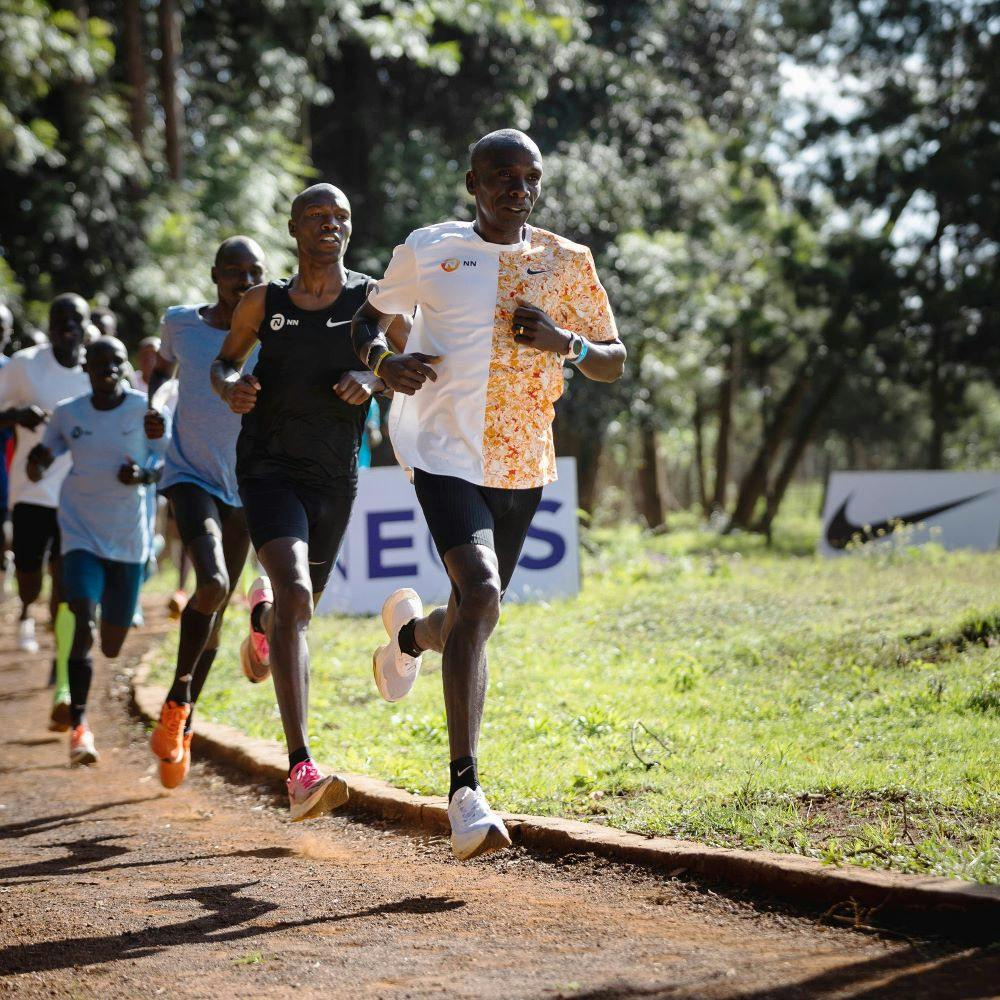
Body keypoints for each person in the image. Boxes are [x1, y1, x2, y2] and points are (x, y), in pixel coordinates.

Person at [352, 129, 626, 860]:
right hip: (440, 449)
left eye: (530, 177)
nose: (518, 188)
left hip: (522, 459)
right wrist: (383, 363)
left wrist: (564, 343)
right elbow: (366, 321)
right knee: (479, 591)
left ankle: (410, 638)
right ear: (473, 182)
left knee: (478, 609)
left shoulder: (567, 261)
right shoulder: (429, 248)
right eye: (503, 176)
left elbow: (613, 360)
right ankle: (465, 794)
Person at [211, 183, 407, 821]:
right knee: (295, 591)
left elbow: (412, 365)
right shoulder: (262, 302)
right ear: (294, 228)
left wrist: (373, 377)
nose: (331, 224)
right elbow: (224, 363)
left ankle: (262, 627)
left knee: (300, 608)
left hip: (333, 477)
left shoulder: (372, 301)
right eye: (318, 216)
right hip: (267, 466)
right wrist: (232, 388)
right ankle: (300, 770)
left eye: (341, 216)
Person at [145, 237, 267, 789]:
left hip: (244, 484)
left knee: (215, 616)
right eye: (234, 271)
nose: (244, 281)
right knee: (213, 583)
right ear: (216, 275)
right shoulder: (181, 323)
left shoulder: (271, 330)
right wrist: (154, 404)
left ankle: (184, 717)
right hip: (190, 474)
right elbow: (162, 369)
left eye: (254, 272)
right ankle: (177, 700)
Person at [27, 337, 167, 764]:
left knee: (110, 645)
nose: (107, 369)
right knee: (83, 618)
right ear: (86, 368)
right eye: (99, 362)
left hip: (128, 539)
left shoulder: (146, 411)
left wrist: (142, 475)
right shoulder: (68, 412)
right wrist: (37, 461)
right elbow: (47, 452)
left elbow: (165, 464)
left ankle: (82, 710)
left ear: (125, 367)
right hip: (80, 532)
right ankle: (80, 726)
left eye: (115, 362)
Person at [0, 294, 89, 729]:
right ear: (50, 326)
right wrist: (17, 414)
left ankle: (62, 672)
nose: (68, 326)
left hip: (76, 494)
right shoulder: (24, 366)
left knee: (66, 583)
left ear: (86, 327)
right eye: (60, 319)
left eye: (76, 320)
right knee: (32, 580)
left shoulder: (96, 371)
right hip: (31, 491)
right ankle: (26, 606)